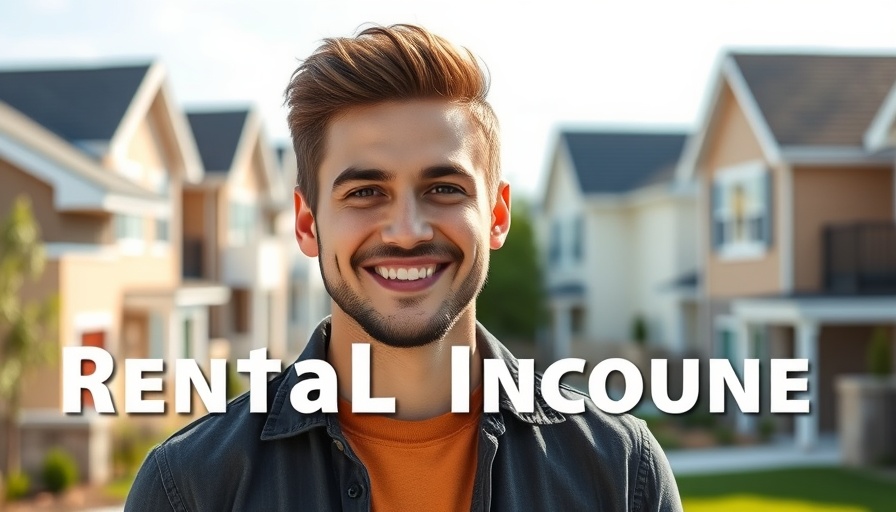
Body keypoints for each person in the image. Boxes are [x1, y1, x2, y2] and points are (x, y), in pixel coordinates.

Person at [125, 24, 682, 511]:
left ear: (497, 214)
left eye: (443, 188)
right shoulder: (191, 488)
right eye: (366, 191)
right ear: (306, 223)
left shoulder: (618, 471)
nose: (408, 230)